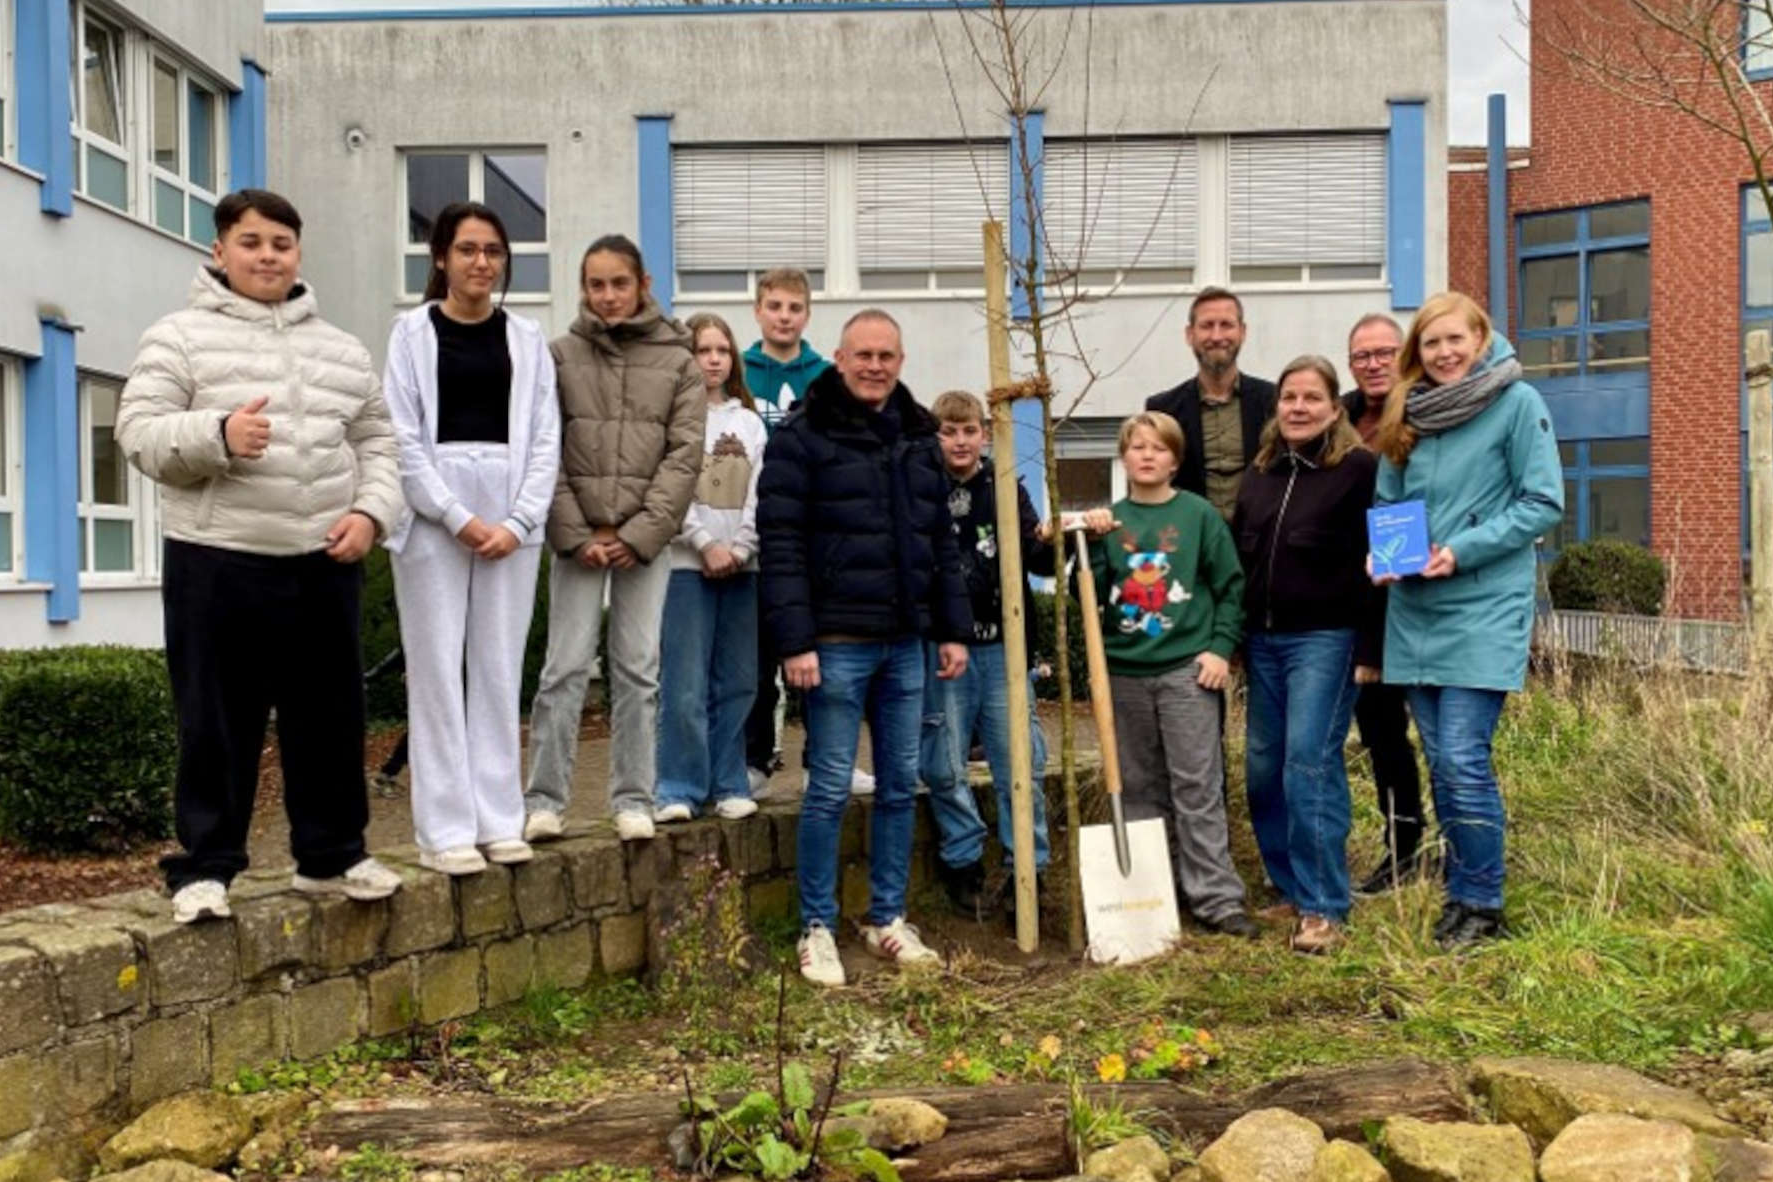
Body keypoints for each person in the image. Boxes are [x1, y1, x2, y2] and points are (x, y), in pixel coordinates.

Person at [116, 188, 404, 923]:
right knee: (216, 720)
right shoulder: (176, 338)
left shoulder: (339, 348)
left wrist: (370, 513)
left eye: (280, 243)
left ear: (298, 253)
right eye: (251, 242)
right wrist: (216, 434)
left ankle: (331, 856)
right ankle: (204, 870)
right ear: (219, 251)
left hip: (322, 561)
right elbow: (138, 431)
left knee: (330, 716)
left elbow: (377, 441)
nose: (267, 255)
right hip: (218, 559)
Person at [757, 309, 972, 987]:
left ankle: (886, 918)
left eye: (886, 356)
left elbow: (941, 542)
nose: (874, 366)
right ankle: (816, 927)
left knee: (899, 787)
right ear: (839, 360)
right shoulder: (800, 436)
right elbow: (782, 542)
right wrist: (795, 641)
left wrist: (950, 629)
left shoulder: (916, 437)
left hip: (905, 644)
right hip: (834, 644)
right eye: (862, 355)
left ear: (900, 362)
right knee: (825, 790)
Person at [1373, 291, 1562, 951]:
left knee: (1460, 757)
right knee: (1439, 761)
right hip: (1414, 610)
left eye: (1455, 339)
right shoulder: (1409, 412)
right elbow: (1388, 500)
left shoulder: (1517, 405)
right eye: (1431, 344)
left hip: (1482, 606)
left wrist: (1461, 550)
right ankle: (1460, 891)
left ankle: (1483, 902)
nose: (1444, 353)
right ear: (1415, 354)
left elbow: (1542, 502)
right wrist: (1384, 555)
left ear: (1480, 338)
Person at [382, 202, 560, 876]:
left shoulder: (527, 338)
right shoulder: (410, 335)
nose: (481, 262)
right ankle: (446, 829)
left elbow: (546, 436)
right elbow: (400, 439)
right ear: (441, 259)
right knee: (434, 672)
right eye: (467, 250)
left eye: (491, 251)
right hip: (436, 519)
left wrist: (516, 522)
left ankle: (497, 817)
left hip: (513, 516)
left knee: (496, 669)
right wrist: (457, 516)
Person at [524, 235, 705, 844]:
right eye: (596, 285)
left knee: (638, 670)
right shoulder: (557, 355)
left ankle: (633, 796)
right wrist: (575, 533)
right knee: (564, 668)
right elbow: (543, 449)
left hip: (643, 542)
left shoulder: (679, 362)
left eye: (618, 284)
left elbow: (684, 458)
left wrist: (637, 534)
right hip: (578, 538)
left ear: (642, 285)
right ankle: (546, 800)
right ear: (584, 288)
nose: (607, 296)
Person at [1078, 412, 1257, 939]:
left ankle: (1216, 897)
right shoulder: (1108, 522)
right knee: (1136, 786)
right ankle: (1152, 895)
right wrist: (1088, 544)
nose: (1148, 456)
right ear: (1124, 457)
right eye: (1137, 447)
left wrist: (1220, 649)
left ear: (1176, 459)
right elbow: (1082, 595)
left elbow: (1230, 587)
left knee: (1196, 785)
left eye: (1159, 448)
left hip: (1186, 672)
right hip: (1123, 674)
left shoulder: (1198, 516)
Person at [1232, 356, 1381, 955]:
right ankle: (1289, 886)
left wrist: (1373, 646)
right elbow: (1242, 563)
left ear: (1334, 408)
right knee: (1263, 767)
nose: (1297, 407)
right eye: (1288, 397)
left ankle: (1324, 906)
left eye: (1311, 398)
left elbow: (1382, 563)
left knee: (1308, 766)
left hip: (1326, 639)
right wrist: (1235, 639)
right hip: (1263, 643)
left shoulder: (1359, 470)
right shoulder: (1260, 474)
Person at [741, 269, 876, 798]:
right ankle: (752, 761)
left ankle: (828, 761)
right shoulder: (738, 372)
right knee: (755, 658)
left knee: (824, 658)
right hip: (754, 537)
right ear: (758, 311)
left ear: (807, 314)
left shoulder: (827, 377)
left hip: (817, 541)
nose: (783, 316)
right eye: (774, 306)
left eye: (794, 308)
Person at [920, 390, 1053, 919]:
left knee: (1022, 759)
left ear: (984, 434)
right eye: (949, 432)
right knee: (944, 760)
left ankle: (1029, 866)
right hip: (945, 647)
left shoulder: (1004, 488)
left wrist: (1058, 536)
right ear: (936, 437)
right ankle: (963, 859)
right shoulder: (921, 489)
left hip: (1004, 642)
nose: (959, 441)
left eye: (969, 430)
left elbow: (1036, 556)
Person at [653, 313, 768, 823]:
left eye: (723, 350)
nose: (714, 360)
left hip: (743, 570)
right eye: (703, 351)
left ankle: (729, 781)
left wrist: (741, 548)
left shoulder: (750, 422)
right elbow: (668, 492)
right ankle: (679, 786)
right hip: (684, 569)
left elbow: (762, 494)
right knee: (684, 684)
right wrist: (703, 544)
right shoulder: (670, 421)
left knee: (738, 681)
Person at [1343, 313, 1426, 894]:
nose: (1373, 363)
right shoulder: (1340, 417)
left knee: (1449, 737)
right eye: (1362, 355)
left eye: (1384, 353)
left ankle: (1462, 849)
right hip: (1362, 603)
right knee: (1381, 737)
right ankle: (1403, 850)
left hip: (1423, 597)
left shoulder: (1430, 412)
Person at [1145, 287, 1276, 521]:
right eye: (1207, 326)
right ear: (1190, 334)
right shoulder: (1163, 409)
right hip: (1191, 544)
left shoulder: (1274, 402)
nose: (1217, 336)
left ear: (1243, 332)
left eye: (1226, 325)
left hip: (1260, 545)